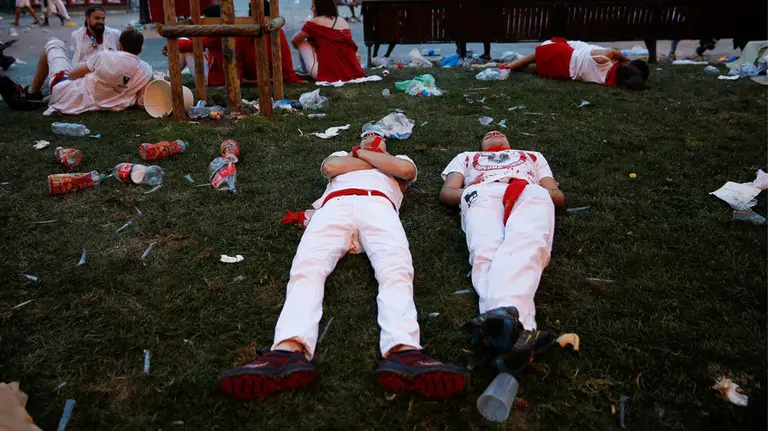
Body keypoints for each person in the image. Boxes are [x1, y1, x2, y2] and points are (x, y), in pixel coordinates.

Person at [218, 133, 468, 400]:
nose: (372, 137)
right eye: (367, 136)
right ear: (358, 143)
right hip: (334, 207)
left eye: (377, 137)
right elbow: (332, 168)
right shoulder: (342, 154)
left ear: (385, 145)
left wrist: (365, 159)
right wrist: (379, 163)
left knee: (396, 270)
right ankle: (287, 350)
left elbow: (405, 170)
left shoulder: (399, 158)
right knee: (307, 268)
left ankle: (404, 350)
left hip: (379, 206)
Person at [439, 131, 565, 368]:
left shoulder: (532, 156)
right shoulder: (466, 157)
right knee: (485, 251)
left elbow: (557, 195)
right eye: (488, 133)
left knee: (529, 243)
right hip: (482, 192)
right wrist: (470, 193)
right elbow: (447, 192)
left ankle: (503, 329)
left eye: (499, 132)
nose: (494, 132)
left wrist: (538, 193)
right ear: (480, 144)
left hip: (528, 191)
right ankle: (522, 332)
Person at [24, 29, 152, 115]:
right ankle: (42, 95)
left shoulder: (105, 56)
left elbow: (73, 75)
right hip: (94, 102)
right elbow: (142, 97)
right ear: (140, 49)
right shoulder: (146, 70)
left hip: (67, 96)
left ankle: (33, 91)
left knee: (53, 43)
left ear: (120, 46)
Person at [505, 38, 649, 90]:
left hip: (565, 55)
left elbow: (615, 53)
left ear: (625, 65)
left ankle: (511, 65)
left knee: (538, 54)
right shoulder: (604, 81)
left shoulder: (604, 60)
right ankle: (519, 67)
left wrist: (624, 59)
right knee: (534, 68)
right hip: (564, 72)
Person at [291, 0, 365, 81]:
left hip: (325, 74)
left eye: (313, 6)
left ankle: (304, 70)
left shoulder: (314, 22)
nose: (311, 9)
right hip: (351, 71)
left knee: (302, 43)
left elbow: (294, 40)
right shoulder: (343, 21)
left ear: (320, 7)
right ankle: (306, 70)